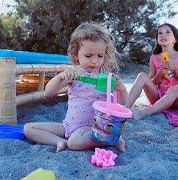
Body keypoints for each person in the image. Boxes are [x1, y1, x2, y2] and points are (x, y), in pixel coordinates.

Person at [24, 22, 128, 152]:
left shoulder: (107, 79)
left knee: (73, 143)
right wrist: (61, 77)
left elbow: (123, 106)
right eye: (88, 56)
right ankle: (59, 141)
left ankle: (106, 139)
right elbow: (48, 92)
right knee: (28, 128)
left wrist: (121, 88)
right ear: (75, 55)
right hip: (69, 126)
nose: (95, 61)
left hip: (93, 128)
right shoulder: (75, 74)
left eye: (100, 56)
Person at [126, 23, 178, 120]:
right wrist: (160, 73)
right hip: (158, 98)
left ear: (175, 39)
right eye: (160, 33)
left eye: (167, 32)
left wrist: (176, 68)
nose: (163, 35)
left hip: (177, 99)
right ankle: (124, 108)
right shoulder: (154, 58)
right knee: (142, 76)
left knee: (176, 88)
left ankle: (146, 112)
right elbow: (151, 82)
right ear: (157, 40)